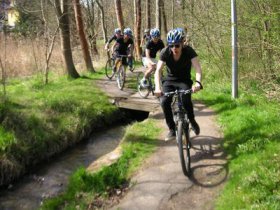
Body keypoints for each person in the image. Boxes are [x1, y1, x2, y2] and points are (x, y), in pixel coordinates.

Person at [154, 28, 203, 141]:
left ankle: (192, 120)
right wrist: (157, 87)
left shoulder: (189, 51)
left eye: (177, 45)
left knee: (186, 100)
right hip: (169, 81)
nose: (174, 48)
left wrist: (198, 83)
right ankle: (171, 129)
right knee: (164, 101)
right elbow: (158, 71)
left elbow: (198, 68)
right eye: (171, 45)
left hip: (184, 81)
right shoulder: (165, 52)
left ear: (182, 43)